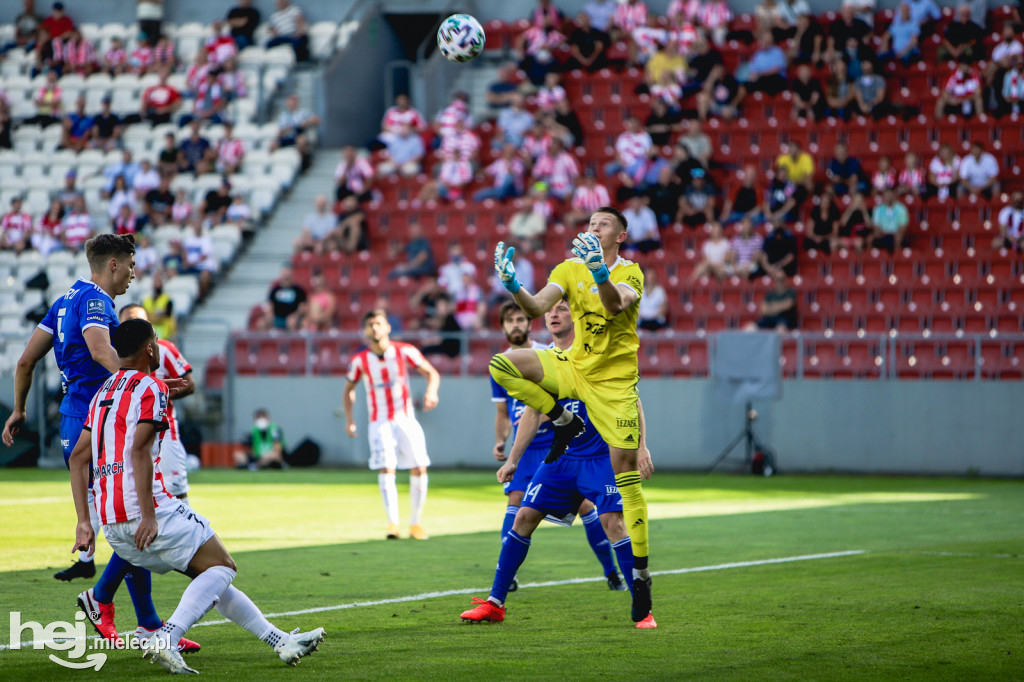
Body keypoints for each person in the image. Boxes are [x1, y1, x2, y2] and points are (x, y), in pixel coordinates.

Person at [69, 319, 324, 674]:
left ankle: (280, 640)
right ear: (150, 349)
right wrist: (148, 514)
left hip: (112, 526)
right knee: (223, 567)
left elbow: (77, 457)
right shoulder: (151, 388)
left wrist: (85, 521)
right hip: (148, 512)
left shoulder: (103, 393)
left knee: (208, 576)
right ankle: (166, 636)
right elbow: (140, 451)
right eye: (156, 342)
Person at [1, 233, 201, 652]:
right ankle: (115, 607)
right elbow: (99, 350)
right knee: (134, 520)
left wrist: (19, 409)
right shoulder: (95, 301)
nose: (133, 273)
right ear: (113, 264)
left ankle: (136, 617)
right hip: (104, 419)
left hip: (78, 418)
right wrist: (147, 383)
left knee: (130, 520)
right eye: (130, 265)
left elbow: (25, 361)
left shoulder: (62, 300)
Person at [489, 207, 654, 626]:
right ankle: (495, 599)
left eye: (603, 223)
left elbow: (616, 306)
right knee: (501, 365)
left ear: (621, 235)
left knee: (625, 484)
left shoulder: (631, 273)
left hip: (613, 384)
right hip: (573, 369)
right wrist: (513, 285)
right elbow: (533, 306)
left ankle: (640, 577)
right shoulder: (567, 268)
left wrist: (600, 272)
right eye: (590, 222)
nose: (593, 227)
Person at [463, 296, 652, 627]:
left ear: (578, 317)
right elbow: (532, 412)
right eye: (549, 309)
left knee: (614, 524)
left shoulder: (600, 353)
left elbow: (631, 400)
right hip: (561, 458)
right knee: (523, 517)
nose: (553, 313)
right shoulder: (544, 361)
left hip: (601, 457)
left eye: (562, 308)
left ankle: (643, 608)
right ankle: (495, 602)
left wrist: (642, 447)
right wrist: (513, 461)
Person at [343, 309, 440, 540]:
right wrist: (350, 420)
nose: (374, 328)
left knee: (419, 467)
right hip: (379, 422)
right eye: (370, 325)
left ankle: (415, 524)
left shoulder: (405, 351)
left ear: (387, 327)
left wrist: (431, 392)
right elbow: (348, 390)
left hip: (406, 418)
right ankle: (393, 524)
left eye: (378, 323)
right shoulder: (360, 360)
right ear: (365, 331)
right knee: (387, 468)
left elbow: (431, 372)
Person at [118, 303, 193, 498]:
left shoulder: (165, 348)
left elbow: (189, 384)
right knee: (131, 495)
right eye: (128, 321)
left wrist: (157, 394)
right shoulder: (110, 354)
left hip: (164, 430)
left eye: (139, 320)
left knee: (175, 493)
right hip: (125, 432)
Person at [262, 266, 307, 330]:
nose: (286, 277)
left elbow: (303, 307)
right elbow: (270, 305)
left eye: (288, 274)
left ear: (291, 275)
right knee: (262, 323)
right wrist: (269, 314)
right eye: (284, 274)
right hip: (277, 317)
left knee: (291, 322)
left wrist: (295, 315)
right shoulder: (275, 290)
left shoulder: (298, 290)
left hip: (293, 318)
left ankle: (292, 340)